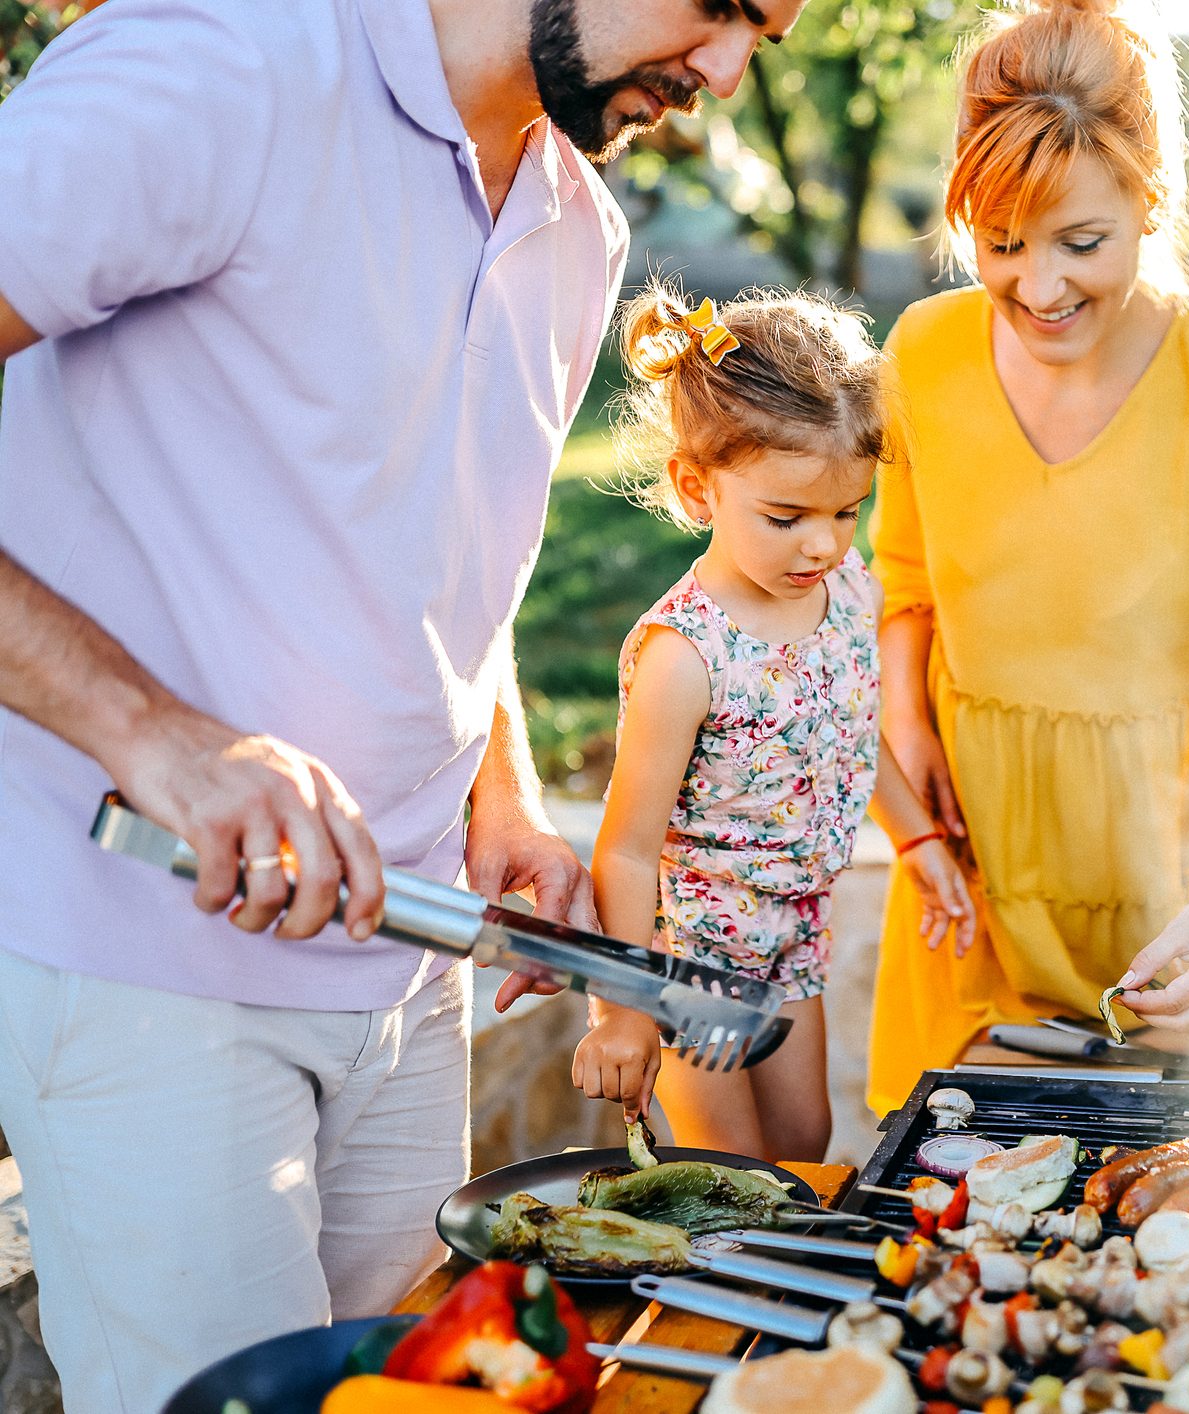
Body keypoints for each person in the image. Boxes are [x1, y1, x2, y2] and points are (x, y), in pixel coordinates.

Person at [0, 0, 805, 1405]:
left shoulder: (577, 221)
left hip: (414, 966)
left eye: (768, 37)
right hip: (145, 965)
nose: (729, 70)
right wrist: (155, 734)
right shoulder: (220, 67)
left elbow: (438, 564)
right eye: (722, 2)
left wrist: (505, 792)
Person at [866, 0, 1189, 1114]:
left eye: (1079, 244)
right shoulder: (922, 354)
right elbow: (901, 583)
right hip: (975, 908)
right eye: (999, 245)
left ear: (1150, 202)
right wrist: (906, 723)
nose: (1038, 289)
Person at [571, 283, 974, 1160]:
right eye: (786, 517)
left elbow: (849, 730)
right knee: (737, 1174)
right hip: (691, 957)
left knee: (807, 1143)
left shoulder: (846, 592)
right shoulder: (686, 657)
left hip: (794, 934)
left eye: (846, 510)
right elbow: (627, 848)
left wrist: (916, 839)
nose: (824, 544)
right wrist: (625, 1006)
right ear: (697, 488)